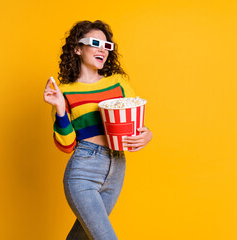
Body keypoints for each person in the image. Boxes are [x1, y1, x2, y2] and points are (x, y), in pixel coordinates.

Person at [43, 20, 153, 240]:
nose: (103, 49)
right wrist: (60, 109)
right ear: (77, 48)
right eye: (95, 43)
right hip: (83, 169)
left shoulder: (118, 83)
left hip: (116, 167)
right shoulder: (64, 91)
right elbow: (66, 145)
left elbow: (135, 122)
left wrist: (146, 133)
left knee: (81, 236)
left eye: (107, 45)